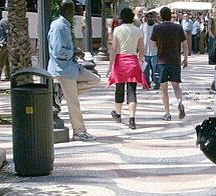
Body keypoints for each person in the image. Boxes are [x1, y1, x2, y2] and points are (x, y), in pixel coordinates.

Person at [48, 0, 101, 141]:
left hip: (71, 68)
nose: (75, 12)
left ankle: (62, 94)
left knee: (94, 79)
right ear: (68, 11)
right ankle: (79, 131)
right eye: (74, 10)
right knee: (74, 103)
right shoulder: (59, 27)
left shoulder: (63, 25)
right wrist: (74, 53)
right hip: (63, 70)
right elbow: (59, 51)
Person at [108, 8, 149, 130]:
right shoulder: (138, 31)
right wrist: (140, 60)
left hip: (120, 61)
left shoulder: (117, 30)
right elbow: (141, 50)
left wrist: (110, 66)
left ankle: (118, 114)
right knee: (132, 91)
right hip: (132, 61)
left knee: (119, 89)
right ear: (132, 17)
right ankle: (132, 119)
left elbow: (114, 49)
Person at [151, 7, 188, 121]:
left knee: (164, 89)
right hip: (175, 60)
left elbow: (153, 44)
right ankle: (179, 102)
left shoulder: (157, 28)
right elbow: (185, 44)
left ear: (161, 16)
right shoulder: (178, 27)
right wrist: (185, 58)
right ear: (170, 16)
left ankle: (167, 113)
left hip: (162, 61)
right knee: (176, 86)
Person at [141, 11, 159, 90]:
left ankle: (157, 83)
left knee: (156, 68)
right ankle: (146, 83)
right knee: (145, 69)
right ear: (146, 18)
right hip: (145, 51)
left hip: (155, 51)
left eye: (152, 17)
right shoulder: (142, 26)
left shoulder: (157, 27)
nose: (150, 19)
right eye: (149, 17)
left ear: (155, 18)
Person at [0, 9, 10, 81]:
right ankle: (8, 75)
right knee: (6, 61)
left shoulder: (3, 22)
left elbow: (7, 33)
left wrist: (5, 42)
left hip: (3, 44)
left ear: (0, 14)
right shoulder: (0, 22)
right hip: (1, 43)